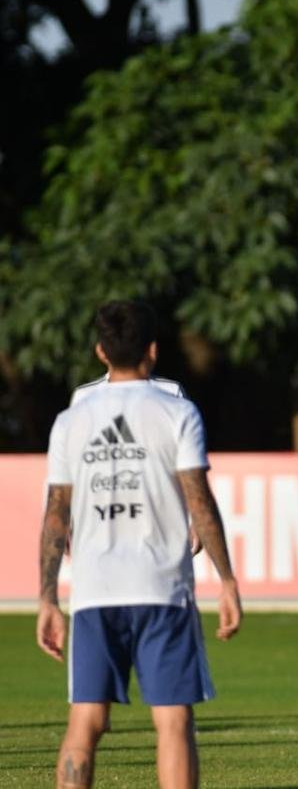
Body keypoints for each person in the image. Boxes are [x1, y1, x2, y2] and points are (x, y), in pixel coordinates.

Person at [36, 300, 242, 789]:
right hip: (162, 588)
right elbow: (199, 501)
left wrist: (47, 598)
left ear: (100, 351)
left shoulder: (71, 420)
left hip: (94, 592)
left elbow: (56, 514)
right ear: (152, 350)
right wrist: (227, 580)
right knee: (173, 723)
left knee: (85, 722)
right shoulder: (177, 411)